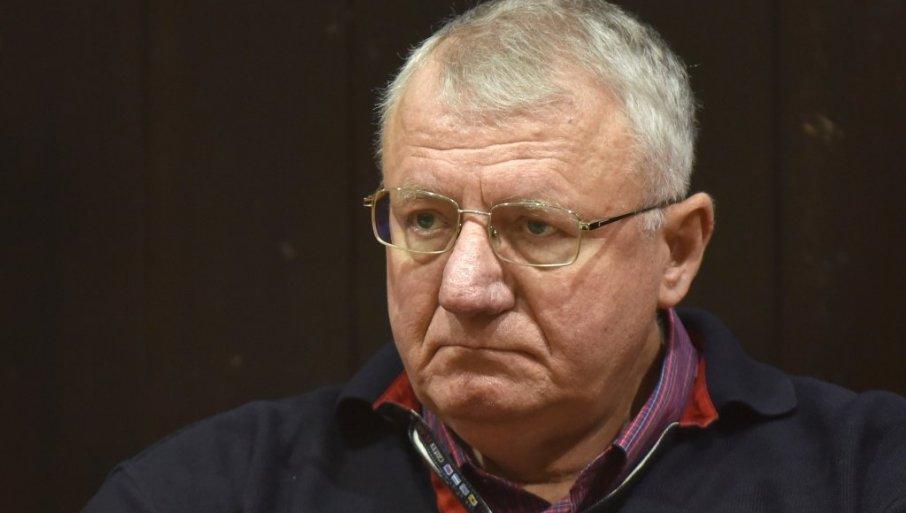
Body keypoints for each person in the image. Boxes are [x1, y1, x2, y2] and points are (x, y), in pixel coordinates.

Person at [83, 1, 906, 512]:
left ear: (677, 249)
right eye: (426, 219)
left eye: (537, 227)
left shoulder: (866, 475)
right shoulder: (205, 492)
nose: (466, 287)